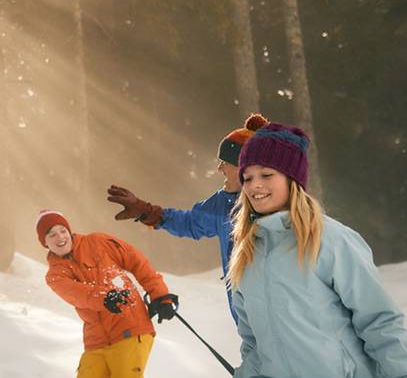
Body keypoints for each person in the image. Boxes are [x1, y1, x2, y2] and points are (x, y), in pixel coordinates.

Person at [227, 122, 407, 378]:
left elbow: (378, 321)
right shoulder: (246, 255)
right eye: (247, 177)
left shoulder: (330, 240)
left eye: (267, 175)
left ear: (292, 179)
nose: (255, 185)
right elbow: (254, 342)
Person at [106, 113, 269, 325]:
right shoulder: (223, 205)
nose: (219, 168)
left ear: (244, 168)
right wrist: (146, 211)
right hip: (246, 323)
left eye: (225, 162)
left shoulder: (278, 206)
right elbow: (191, 222)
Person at [39, 209, 178, 378]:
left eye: (63, 231)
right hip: (95, 342)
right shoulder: (55, 276)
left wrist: (160, 296)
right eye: (51, 235)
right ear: (44, 242)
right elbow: (78, 294)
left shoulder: (98, 242)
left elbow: (137, 262)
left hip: (130, 328)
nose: (60, 237)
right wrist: (105, 298)